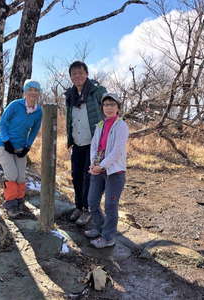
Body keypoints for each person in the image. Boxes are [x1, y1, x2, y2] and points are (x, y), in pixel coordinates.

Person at [84, 93, 129, 248]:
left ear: (117, 107)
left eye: (112, 104)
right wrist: (93, 164)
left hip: (115, 172)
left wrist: (102, 165)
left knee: (110, 206)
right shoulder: (100, 125)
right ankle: (99, 227)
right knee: (92, 201)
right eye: (106, 105)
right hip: (98, 168)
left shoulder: (121, 125)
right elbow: (94, 146)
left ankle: (108, 237)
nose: (108, 108)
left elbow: (117, 151)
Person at [65, 61, 107, 225]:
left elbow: (110, 107)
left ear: (86, 74)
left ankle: (89, 209)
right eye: (74, 73)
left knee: (90, 177)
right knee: (76, 176)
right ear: (71, 77)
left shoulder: (97, 91)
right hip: (77, 143)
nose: (77, 76)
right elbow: (71, 120)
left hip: (94, 144)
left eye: (80, 72)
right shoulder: (70, 95)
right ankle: (79, 206)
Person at [0, 79, 42, 218]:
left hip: (21, 147)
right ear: (25, 92)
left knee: (21, 176)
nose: (33, 93)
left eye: (36, 90)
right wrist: (6, 140)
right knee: (12, 175)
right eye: (30, 90)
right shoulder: (15, 105)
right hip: (5, 145)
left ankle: (20, 201)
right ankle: (10, 204)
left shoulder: (38, 111)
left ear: (39, 93)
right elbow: (2, 123)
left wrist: (27, 146)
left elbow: (34, 130)